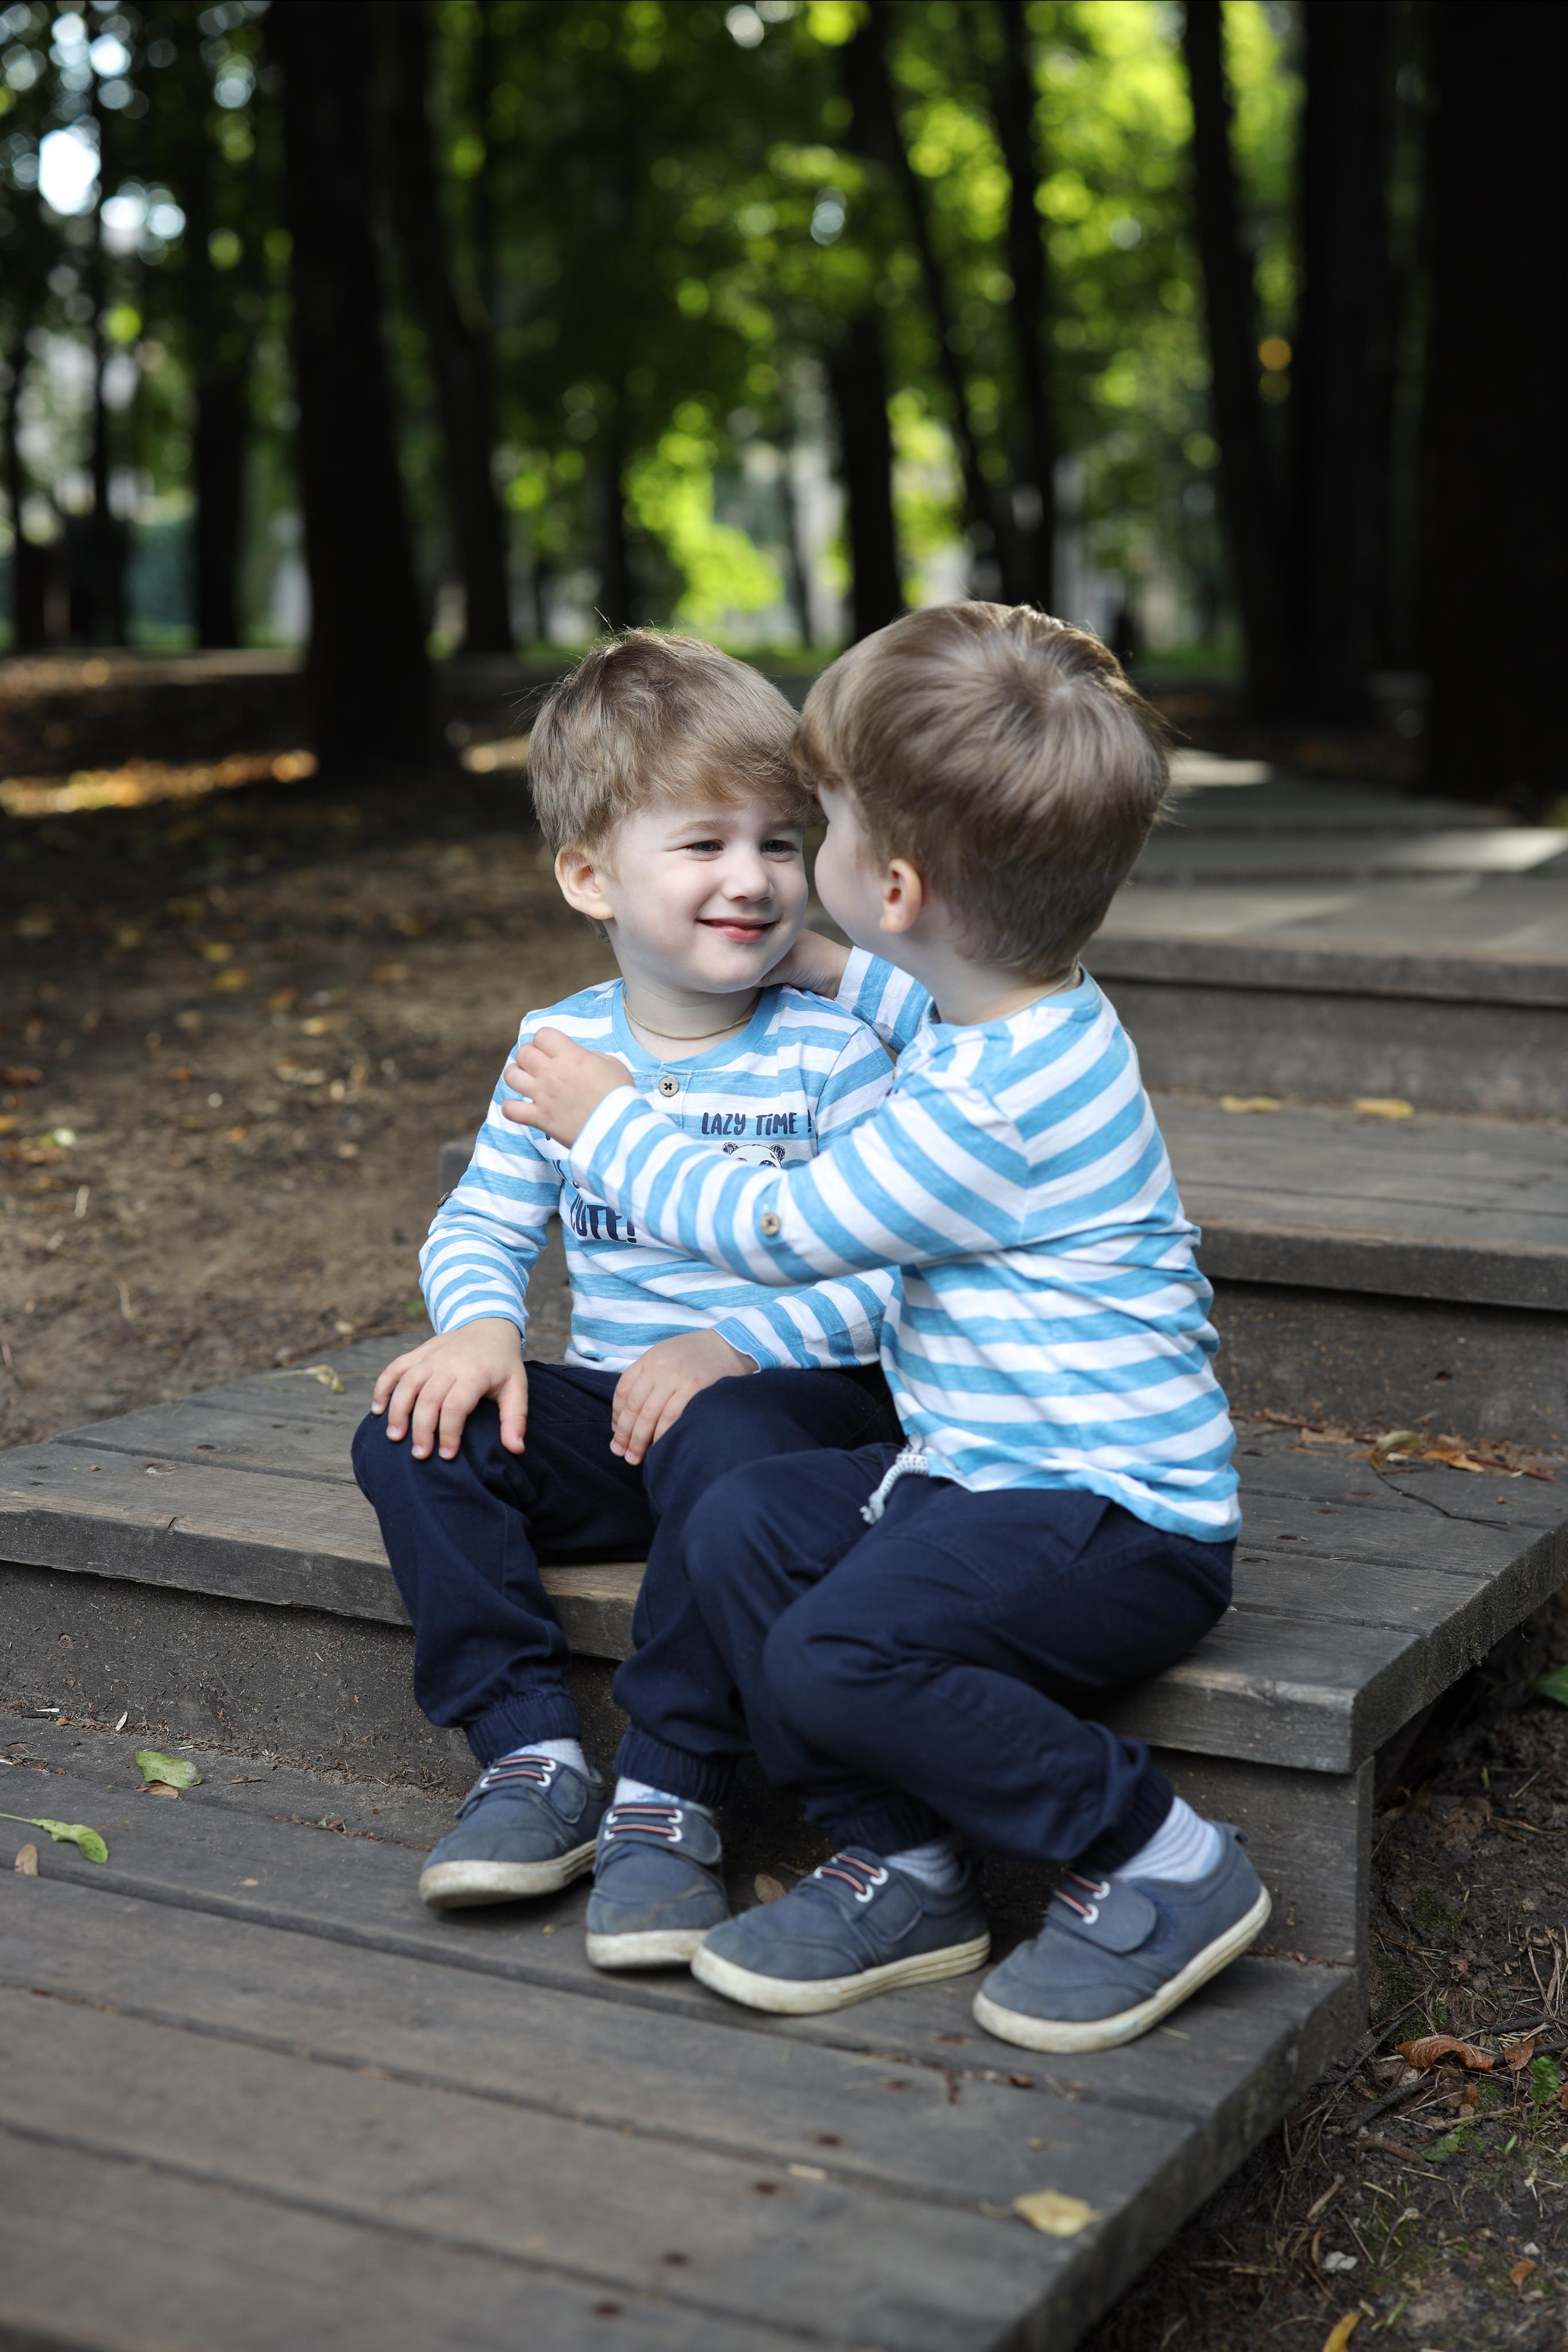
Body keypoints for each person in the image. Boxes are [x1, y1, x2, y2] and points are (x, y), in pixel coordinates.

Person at [502, 603, 1268, 2055]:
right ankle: (907, 1870)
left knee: (836, 1655)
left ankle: (1156, 1859)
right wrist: (823, 970)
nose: (798, 854)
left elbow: (780, 1231)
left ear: (893, 885)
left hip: (1113, 1524)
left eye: (820, 822)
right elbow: (906, 1006)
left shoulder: (989, 1107)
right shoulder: (1001, 1015)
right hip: (978, 1479)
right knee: (735, 1525)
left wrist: (610, 1124)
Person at [353, 631, 901, 1945]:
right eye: (703, 843)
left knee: (722, 1432)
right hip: (618, 1411)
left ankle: (672, 1789)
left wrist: (732, 1341)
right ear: (590, 875)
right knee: (410, 1433)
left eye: (780, 842)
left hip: (795, 1409)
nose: (751, 878)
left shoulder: (835, 1050)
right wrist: (479, 1324)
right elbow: (482, 1216)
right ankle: (529, 1757)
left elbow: (897, 1275)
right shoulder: (559, 1048)